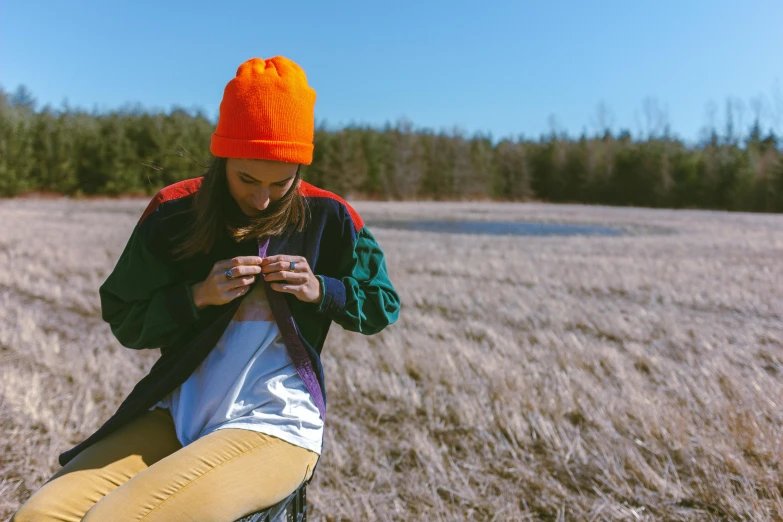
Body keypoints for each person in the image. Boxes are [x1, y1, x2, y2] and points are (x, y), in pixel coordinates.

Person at [12, 56, 401, 521]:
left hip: (277, 423)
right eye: (247, 179)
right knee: (38, 516)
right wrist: (196, 297)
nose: (262, 199)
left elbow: (383, 305)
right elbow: (125, 316)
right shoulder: (175, 211)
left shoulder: (331, 217)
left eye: (282, 183)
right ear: (222, 158)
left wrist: (323, 290)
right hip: (177, 414)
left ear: (301, 167)